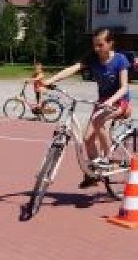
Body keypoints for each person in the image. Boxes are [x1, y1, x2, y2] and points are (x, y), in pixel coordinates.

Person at [42, 28, 131, 187]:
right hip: (102, 102)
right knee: (87, 139)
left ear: (110, 44)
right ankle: (94, 173)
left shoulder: (120, 60)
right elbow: (73, 68)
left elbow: (124, 87)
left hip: (119, 101)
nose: (96, 49)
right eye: (94, 45)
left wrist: (111, 100)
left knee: (97, 123)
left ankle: (109, 157)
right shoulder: (92, 57)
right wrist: (52, 79)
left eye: (100, 45)